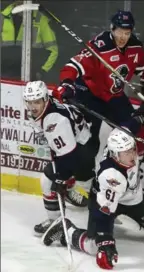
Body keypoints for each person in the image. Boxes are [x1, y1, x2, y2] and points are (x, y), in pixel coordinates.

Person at [53, 10, 144, 161]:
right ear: (112, 28)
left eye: (127, 33)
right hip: (91, 95)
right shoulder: (100, 47)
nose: (123, 37)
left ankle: (131, 170)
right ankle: (83, 176)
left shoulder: (135, 47)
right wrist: (67, 84)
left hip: (114, 96)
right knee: (88, 141)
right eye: (119, 32)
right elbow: (72, 66)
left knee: (136, 133)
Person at [42, 128, 144, 270]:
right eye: (126, 152)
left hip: (131, 199)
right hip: (102, 202)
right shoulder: (111, 176)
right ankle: (67, 232)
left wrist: (141, 116)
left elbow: (128, 125)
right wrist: (105, 241)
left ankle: (122, 219)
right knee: (94, 246)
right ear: (115, 155)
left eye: (132, 149)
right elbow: (104, 212)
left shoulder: (123, 148)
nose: (132, 155)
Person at [23, 80, 93, 235]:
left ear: (45, 99)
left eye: (36, 102)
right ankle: (74, 192)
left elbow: (70, 157)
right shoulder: (48, 107)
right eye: (29, 102)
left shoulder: (53, 121)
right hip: (83, 145)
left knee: (48, 181)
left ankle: (56, 222)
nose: (33, 107)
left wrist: (61, 179)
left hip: (82, 153)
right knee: (91, 185)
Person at [1, 1, 58, 81]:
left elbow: (53, 50)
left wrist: (42, 71)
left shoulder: (41, 19)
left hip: (29, 77)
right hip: (3, 76)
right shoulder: (2, 17)